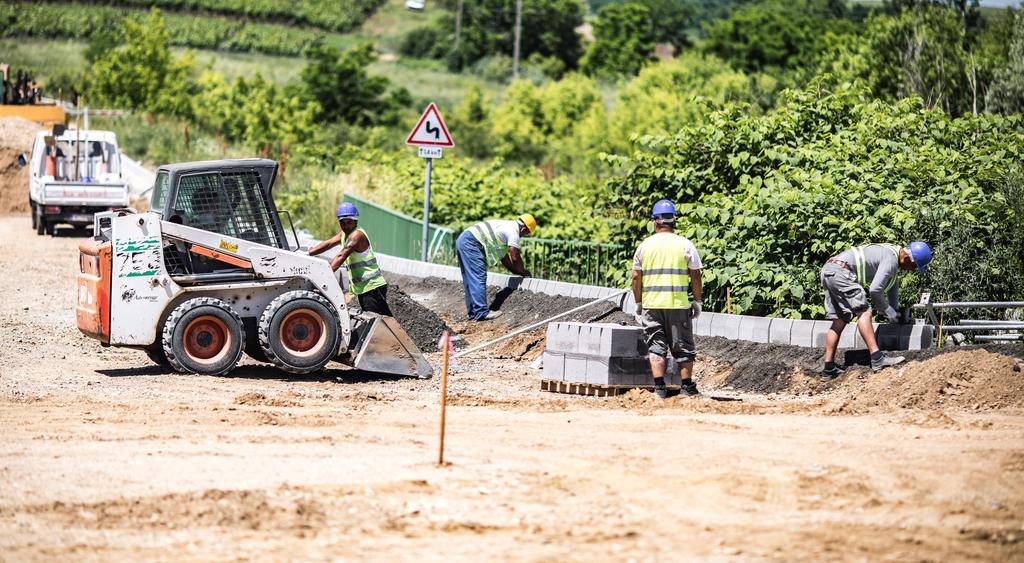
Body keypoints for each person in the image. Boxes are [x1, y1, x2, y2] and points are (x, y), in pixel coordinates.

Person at [820, 241, 933, 377]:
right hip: (842, 272)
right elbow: (875, 290)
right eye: (914, 266)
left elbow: (892, 290)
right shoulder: (891, 260)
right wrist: (887, 309)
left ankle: (828, 368)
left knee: (839, 320)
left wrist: (894, 312)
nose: (912, 270)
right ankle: (877, 358)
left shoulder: (891, 254)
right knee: (864, 312)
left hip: (829, 270)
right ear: (907, 258)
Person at [632, 199, 703, 399]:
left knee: (656, 345)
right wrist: (697, 301)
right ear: (673, 221)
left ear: (655, 221)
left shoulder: (644, 246)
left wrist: (638, 302)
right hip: (678, 304)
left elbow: (636, 277)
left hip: (652, 304)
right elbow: (695, 275)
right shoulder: (686, 244)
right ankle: (687, 387)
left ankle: (660, 387)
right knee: (683, 346)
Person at [307, 202, 393, 317]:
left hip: (372, 287)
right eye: (342, 223)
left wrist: (321, 276)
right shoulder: (345, 234)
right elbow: (328, 244)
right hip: (364, 288)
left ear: (356, 221)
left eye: (349, 222)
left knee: (380, 322)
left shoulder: (356, 236)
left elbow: (341, 256)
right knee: (379, 321)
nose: (345, 225)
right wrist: (308, 253)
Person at [455, 214, 537, 321]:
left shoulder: (504, 227)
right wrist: (523, 271)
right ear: (524, 229)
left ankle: (473, 314)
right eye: (526, 233)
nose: (524, 236)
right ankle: (482, 312)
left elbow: (505, 260)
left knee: (469, 280)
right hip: (472, 242)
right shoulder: (513, 232)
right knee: (478, 276)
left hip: (464, 239)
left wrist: (519, 272)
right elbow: (515, 256)